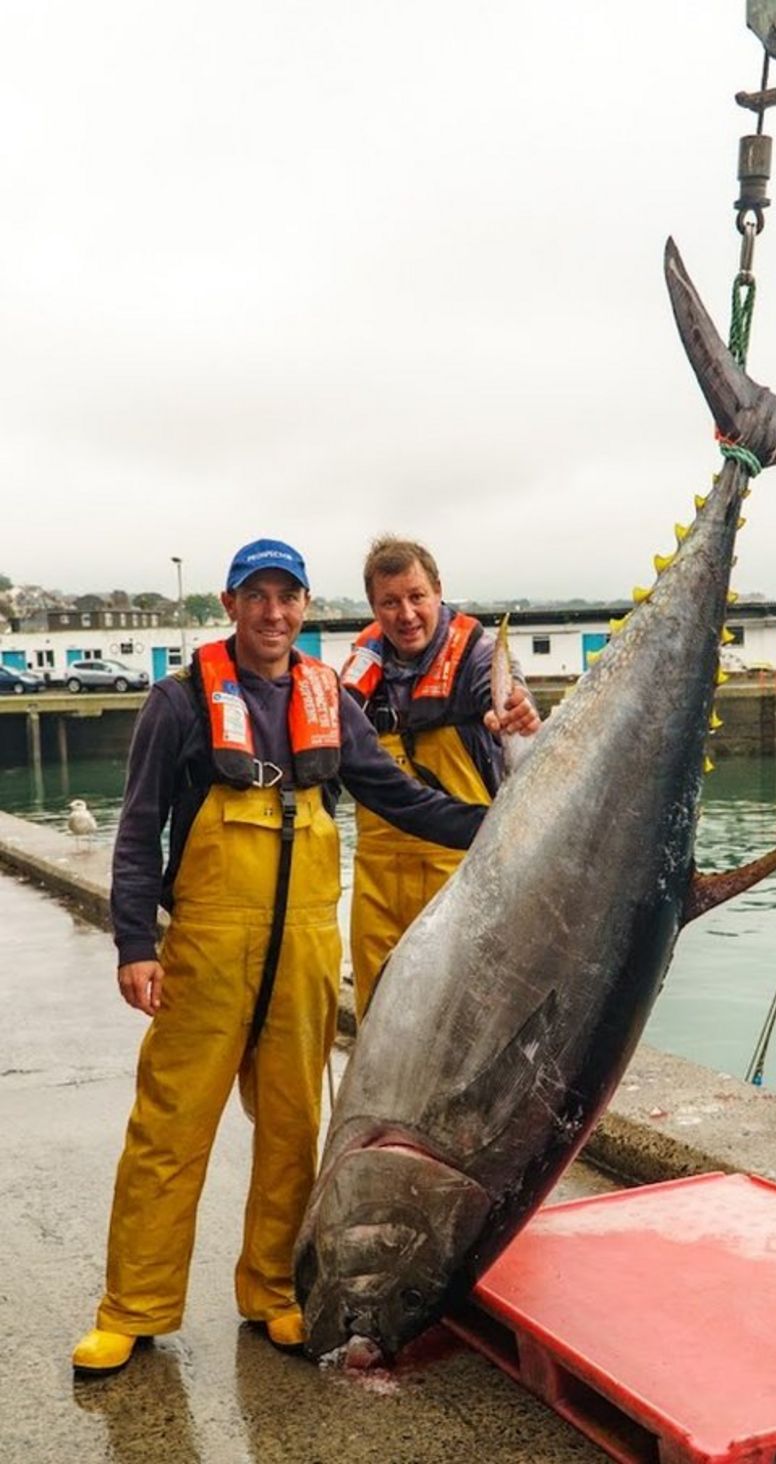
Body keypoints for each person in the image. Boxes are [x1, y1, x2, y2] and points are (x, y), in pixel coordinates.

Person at [72, 537, 486, 1376]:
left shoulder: (328, 695)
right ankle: (133, 1309)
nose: (272, 612)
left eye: (286, 597)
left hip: (302, 950)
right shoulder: (180, 700)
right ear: (229, 605)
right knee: (169, 1131)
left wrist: (496, 828)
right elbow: (138, 827)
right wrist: (135, 943)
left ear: (304, 607)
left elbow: (399, 798)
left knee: (295, 1133)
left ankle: (272, 1292)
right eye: (255, 596)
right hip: (207, 953)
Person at [342, 536, 540, 1017]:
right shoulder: (360, 668)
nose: (406, 614)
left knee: (462, 1018)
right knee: (379, 1016)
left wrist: (516, 710)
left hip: (461, 876)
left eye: (416, 597)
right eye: (389, 603)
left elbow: (509, 693)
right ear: (373, 607)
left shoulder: (477, 656)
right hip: (376, 885)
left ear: (438, 591)